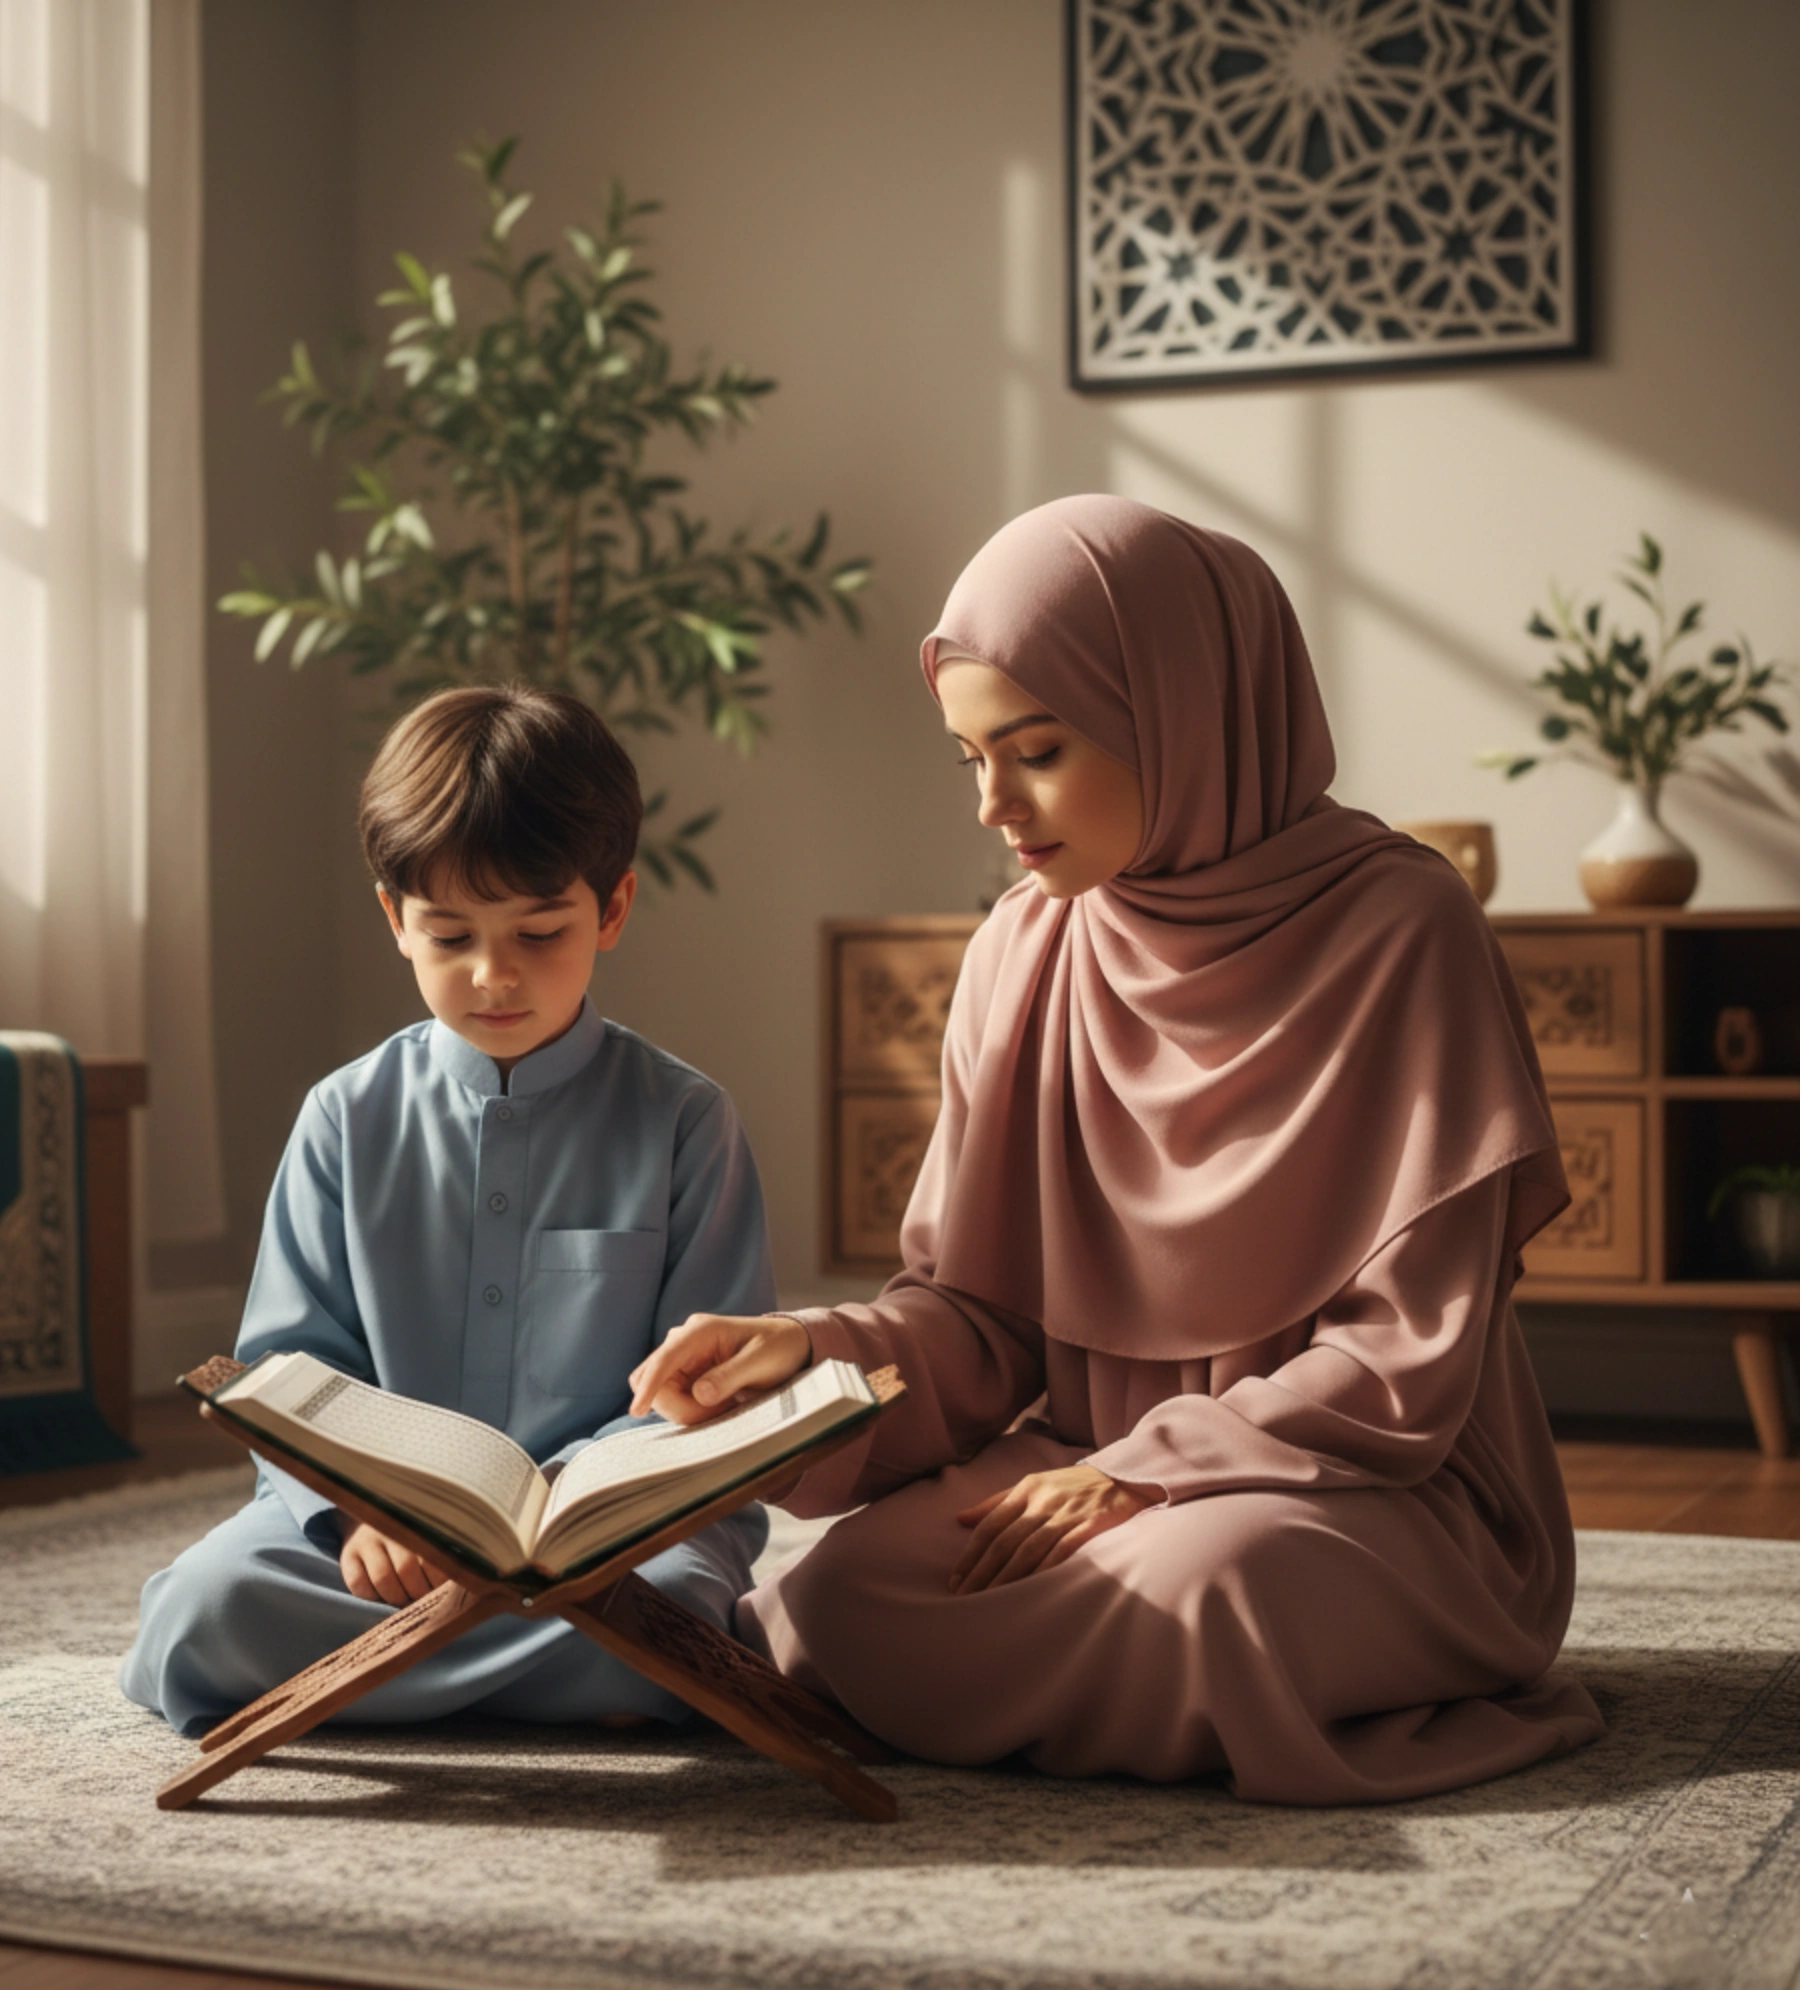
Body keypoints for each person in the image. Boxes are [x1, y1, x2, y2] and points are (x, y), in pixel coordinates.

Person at [630, 496, 1605, 1804]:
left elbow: (1397, 1372)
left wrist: (1142, 1472)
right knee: (841, 1595)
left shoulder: (1404, 931)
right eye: (968, 758)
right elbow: (979, 1323)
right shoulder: (1022, 950)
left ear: (1187, 713)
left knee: (1210, 1592)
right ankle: (1126, 1693)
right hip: (1080, 1470)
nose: (994, 805)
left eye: (1034, 750)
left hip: (1372, 1491)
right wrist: (815, 1353)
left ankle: (1151, 1672)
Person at [121, 686, 775, 1736]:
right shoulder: (342, 1116)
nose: (493, 973)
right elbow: (290, 1368)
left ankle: (400, 1671)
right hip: (376, 1548)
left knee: (674, 1615)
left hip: (617, 1542)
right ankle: (531, 1673)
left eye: (539, 929)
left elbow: (701, 1397)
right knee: (203, 1614)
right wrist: (361, 1516)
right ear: (394, 918)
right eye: (450, 932)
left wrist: (569, 1516)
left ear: (610, 908)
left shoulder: (685, 1120)